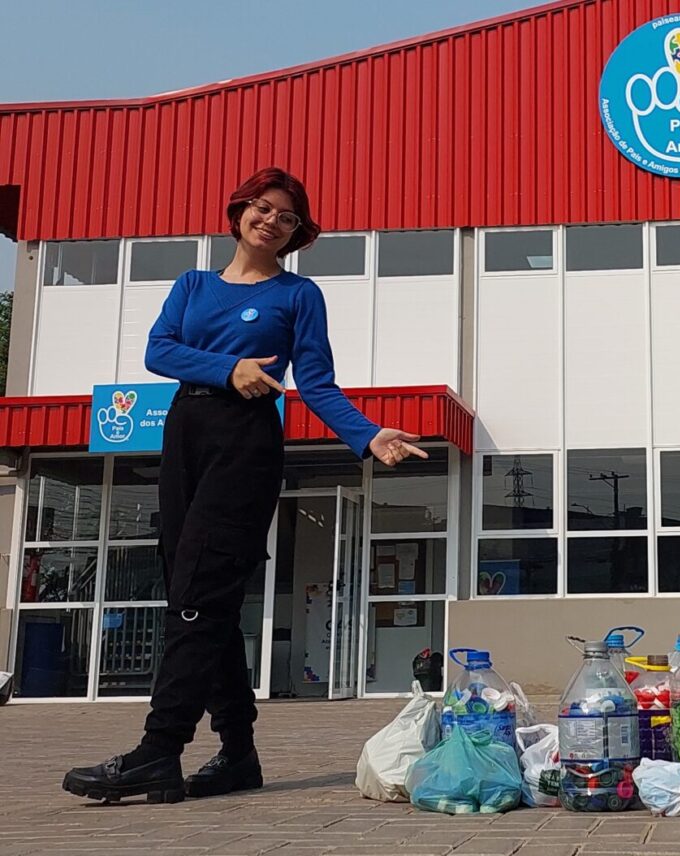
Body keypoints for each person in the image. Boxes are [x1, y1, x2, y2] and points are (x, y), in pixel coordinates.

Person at [63, 167, 427, 804]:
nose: (272, 222)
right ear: (238, 212)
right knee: (198, 594)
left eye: (286, 217)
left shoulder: (298, 296)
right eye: (263, 208)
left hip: (246, 441)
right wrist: (227, 367)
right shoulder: (194, 284)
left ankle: (160, 748)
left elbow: (314, 383)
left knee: (198, 593)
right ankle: (237, 753)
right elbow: (159, 350)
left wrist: (366, 435)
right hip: (186, 431)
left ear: (296, 233)